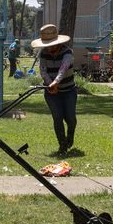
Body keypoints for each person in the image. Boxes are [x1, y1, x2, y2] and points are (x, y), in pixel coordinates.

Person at [31, 24, 77, 156]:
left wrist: (56, 82)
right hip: (51, 92)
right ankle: (62, 146)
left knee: (70, 118)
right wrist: (50, 84)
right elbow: (43, 71)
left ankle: (70, 136)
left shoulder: (67, 53)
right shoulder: (43, 54)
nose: (49, 47)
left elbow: (63, 69)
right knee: (57, 118)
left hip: (69, 90)